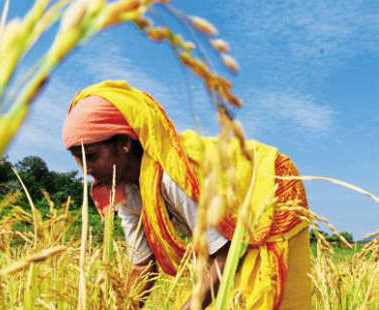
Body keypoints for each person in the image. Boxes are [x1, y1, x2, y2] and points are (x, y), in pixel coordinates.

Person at [61, 80, 312, 309]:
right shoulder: (125, 190)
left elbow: (225, 253)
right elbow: (143, 265)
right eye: (79, 160)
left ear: (124, 144)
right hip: (232, 230)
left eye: (91, 156)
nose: (86, 168)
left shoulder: (174, 176)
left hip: (271, 187)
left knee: (266, 290)